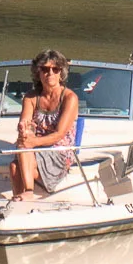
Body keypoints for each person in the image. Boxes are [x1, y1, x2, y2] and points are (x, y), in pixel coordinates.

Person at [12, 50, 80, 200]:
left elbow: (59, 134)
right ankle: (21, 203)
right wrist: (24, 130)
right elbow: (26, 121)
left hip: (59, 150)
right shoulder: (31, 97)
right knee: (14, 165)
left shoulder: (70, 98)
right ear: (38, 72)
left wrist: (32, 141)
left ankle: (28, 192)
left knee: (23, 150)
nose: (50, 73)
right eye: (45, 69)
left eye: (55, 69)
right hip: (35, 147)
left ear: (61, 73)